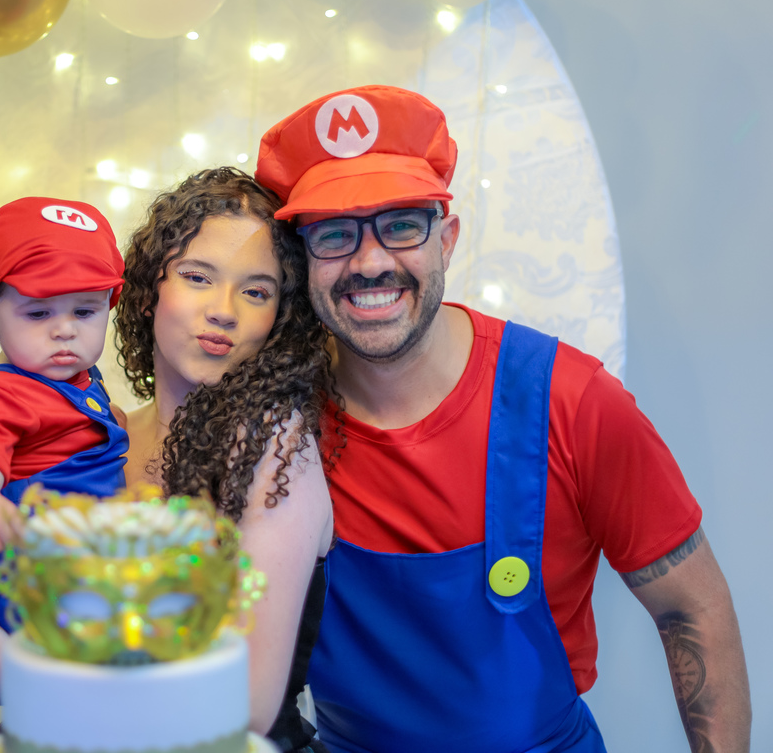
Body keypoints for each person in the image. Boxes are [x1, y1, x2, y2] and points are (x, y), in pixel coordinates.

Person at [254, 85, 752, 753]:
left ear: (447, 239)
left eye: (401, 225)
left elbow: (692, 608)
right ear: (300, 259)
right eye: (335, 235)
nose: (371, 262)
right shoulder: (274, 421)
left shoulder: (573, 402)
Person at [114, 167, 334, 749]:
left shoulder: (274, 445)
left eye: (256, 291)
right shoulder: (107, 434)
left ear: (280, 320)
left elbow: (242, 707)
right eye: (198, 277)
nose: (224, 310)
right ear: (148, 289)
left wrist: (25, 671)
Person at [0, 196, 127, 629]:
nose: (64, 329)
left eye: (84, 311)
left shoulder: (84, 378)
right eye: (39, 312)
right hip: (26, 573)